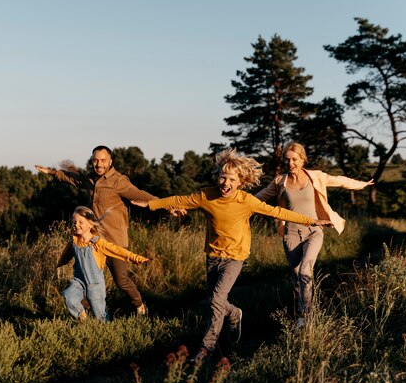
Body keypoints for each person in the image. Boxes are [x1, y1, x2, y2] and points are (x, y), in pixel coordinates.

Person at [132, 148, 331, 360]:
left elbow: (278, 212)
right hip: (213, 256)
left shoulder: (246, 200)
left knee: (217, 299)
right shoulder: (205, 196)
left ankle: (205, 349)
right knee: (214, 301)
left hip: (235, 257)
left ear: (240, 182)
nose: (225, 183)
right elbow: (180, 199)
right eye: (222, 177)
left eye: (231, 179)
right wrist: (150, 204)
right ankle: (235, 314)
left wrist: (312, 220)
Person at [36, 145, 181, 316]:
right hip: (93, 241)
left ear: (110, 161)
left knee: (121, 281)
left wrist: (166, 206)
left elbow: (140, 194)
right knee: (86, 278)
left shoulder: (118, 181)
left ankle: (139, 305)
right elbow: (73, 178)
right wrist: (53, 172)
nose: (99, 164)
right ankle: (91, 310)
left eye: (103, 160)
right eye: (95, 160)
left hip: (114, 239)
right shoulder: (90, 179)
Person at [255, 142, 374, 328]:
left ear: (303, 159)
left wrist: (362, 184)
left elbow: (340, 180)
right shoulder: (280, 182)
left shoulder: (315, 177)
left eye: (294, 159)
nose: (291, 163)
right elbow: (259, 197)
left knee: (305, 271)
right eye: (287, 160)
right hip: (291, 234)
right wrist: (238, 204)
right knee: (298, 279)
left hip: (314, 231)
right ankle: (300, 316)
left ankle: (306, 317)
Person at [57, 206, 151, 322]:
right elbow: (66, 253)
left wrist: (137, 258)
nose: (76, 224)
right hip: (79, 281)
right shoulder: (74, 241)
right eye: (74, 221)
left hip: (95, 285)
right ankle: (82, 318)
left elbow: (118, 250)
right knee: (69, 296)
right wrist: (60, 263)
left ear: (90, 225)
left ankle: (106, 328)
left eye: (81, 222)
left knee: (100, 316)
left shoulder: (98, 243)